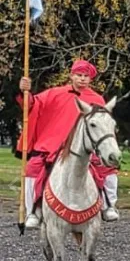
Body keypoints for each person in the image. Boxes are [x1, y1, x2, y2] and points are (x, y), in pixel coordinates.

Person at [16, 59, 120, 228]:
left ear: (90, 79)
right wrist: (25, 92)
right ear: (71, 75)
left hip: (85, 146)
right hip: (53, 144)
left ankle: (109, 205)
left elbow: (102, 123)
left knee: (107, 167)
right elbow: (33, 105)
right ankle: (32, 211)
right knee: (33, 168)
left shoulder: (97, 99)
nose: (82, 79)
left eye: (86, 76)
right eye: (79, 75)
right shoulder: (54, 93)